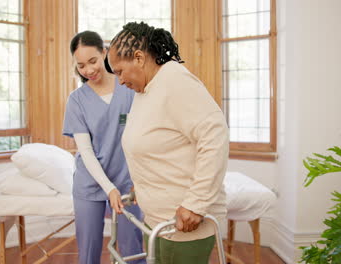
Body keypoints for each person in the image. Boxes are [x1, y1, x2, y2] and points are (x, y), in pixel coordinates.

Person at [107, 22, 229, 264]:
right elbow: (158, 144)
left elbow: (215, 134)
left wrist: (195, 204)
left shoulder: (175, 81)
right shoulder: (146, 91)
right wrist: (141, 186)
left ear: (139, 58)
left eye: (120, 71)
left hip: (184, 222)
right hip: (159, 220)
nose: (119, 81)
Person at [63, 30, 145, 264]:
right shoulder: (77, 101)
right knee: (89, 254)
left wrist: (139, 181)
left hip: (127, 182)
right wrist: (109, 188)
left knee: (133, 251)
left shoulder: (129, 90)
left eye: (92, 61)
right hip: (90, 185)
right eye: (81, 65)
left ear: (105, 54)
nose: (88, 70)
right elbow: (86, 152)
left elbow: (142, 139)